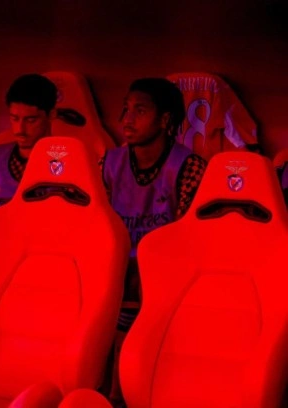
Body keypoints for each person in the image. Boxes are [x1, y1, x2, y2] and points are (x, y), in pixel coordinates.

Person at [100, 77, 207, 405]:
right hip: (115, 282)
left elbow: (192, 243)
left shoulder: (189, 167)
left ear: (164, 120)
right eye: (126, 109)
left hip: (164, 289)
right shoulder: (109, 163)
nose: (127, 119)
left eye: (140, 111)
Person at [0, 73, 58, 214]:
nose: (20, 129)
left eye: (31, 120)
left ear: (51, 115)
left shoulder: (67, 163)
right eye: (15, 118)